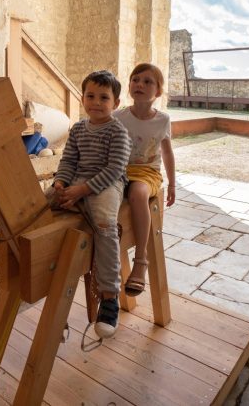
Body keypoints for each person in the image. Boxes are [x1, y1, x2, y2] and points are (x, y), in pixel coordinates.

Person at [49, 70, 131, 338]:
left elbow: (114, 168)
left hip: (108, 183)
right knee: (39, 205)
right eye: (91, 96)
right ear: (82, 97)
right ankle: (53, 290)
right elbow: (69, 160)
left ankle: (109, 296)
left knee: (106, 225)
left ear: (115, 103)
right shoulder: (78, 129)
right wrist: (61, 183)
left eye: (104, 97)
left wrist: (83, 190)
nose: (96, 102)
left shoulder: (118, 131)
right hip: (78, 178)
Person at [113, 63, 176, 297]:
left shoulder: (162, 120)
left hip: (147, 171)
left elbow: (168, 153)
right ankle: (108, 261)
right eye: (135, 79)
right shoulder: (118, 116)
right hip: (119, 169)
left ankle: (140, 260)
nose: (140, 84)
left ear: (158, 92)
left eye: (148, 81)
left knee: (138, 193)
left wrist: (172, 184)